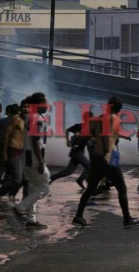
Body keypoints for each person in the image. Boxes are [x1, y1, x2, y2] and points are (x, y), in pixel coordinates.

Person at [72, 97, 139, 229]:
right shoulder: (115, 118)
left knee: (90, 189)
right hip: (108, 158)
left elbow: (84, 136)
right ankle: (127, 219)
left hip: (97, 159)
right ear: (119, 109)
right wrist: (107, 153)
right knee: (122, 189)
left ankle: (78, 216)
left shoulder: (99, 119)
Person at [12, 92, 50, 229]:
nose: (47, 105)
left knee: (33, 188)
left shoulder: (30, 118)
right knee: (45, 187)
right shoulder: (37, 119)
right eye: (45, 102)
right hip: (34, 159)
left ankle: (31, 219)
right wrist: (40, 161)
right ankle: (19, 208)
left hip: (26, 158)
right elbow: (35, 141)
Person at [50, 111, 94, 189]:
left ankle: (51, 178)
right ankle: (80, 180)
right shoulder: (80, 126)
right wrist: (68, 141)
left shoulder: (90, 128)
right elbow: (68, 130)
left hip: (77, 151)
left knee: (68, 171)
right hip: (77, 151)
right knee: (90, 166)